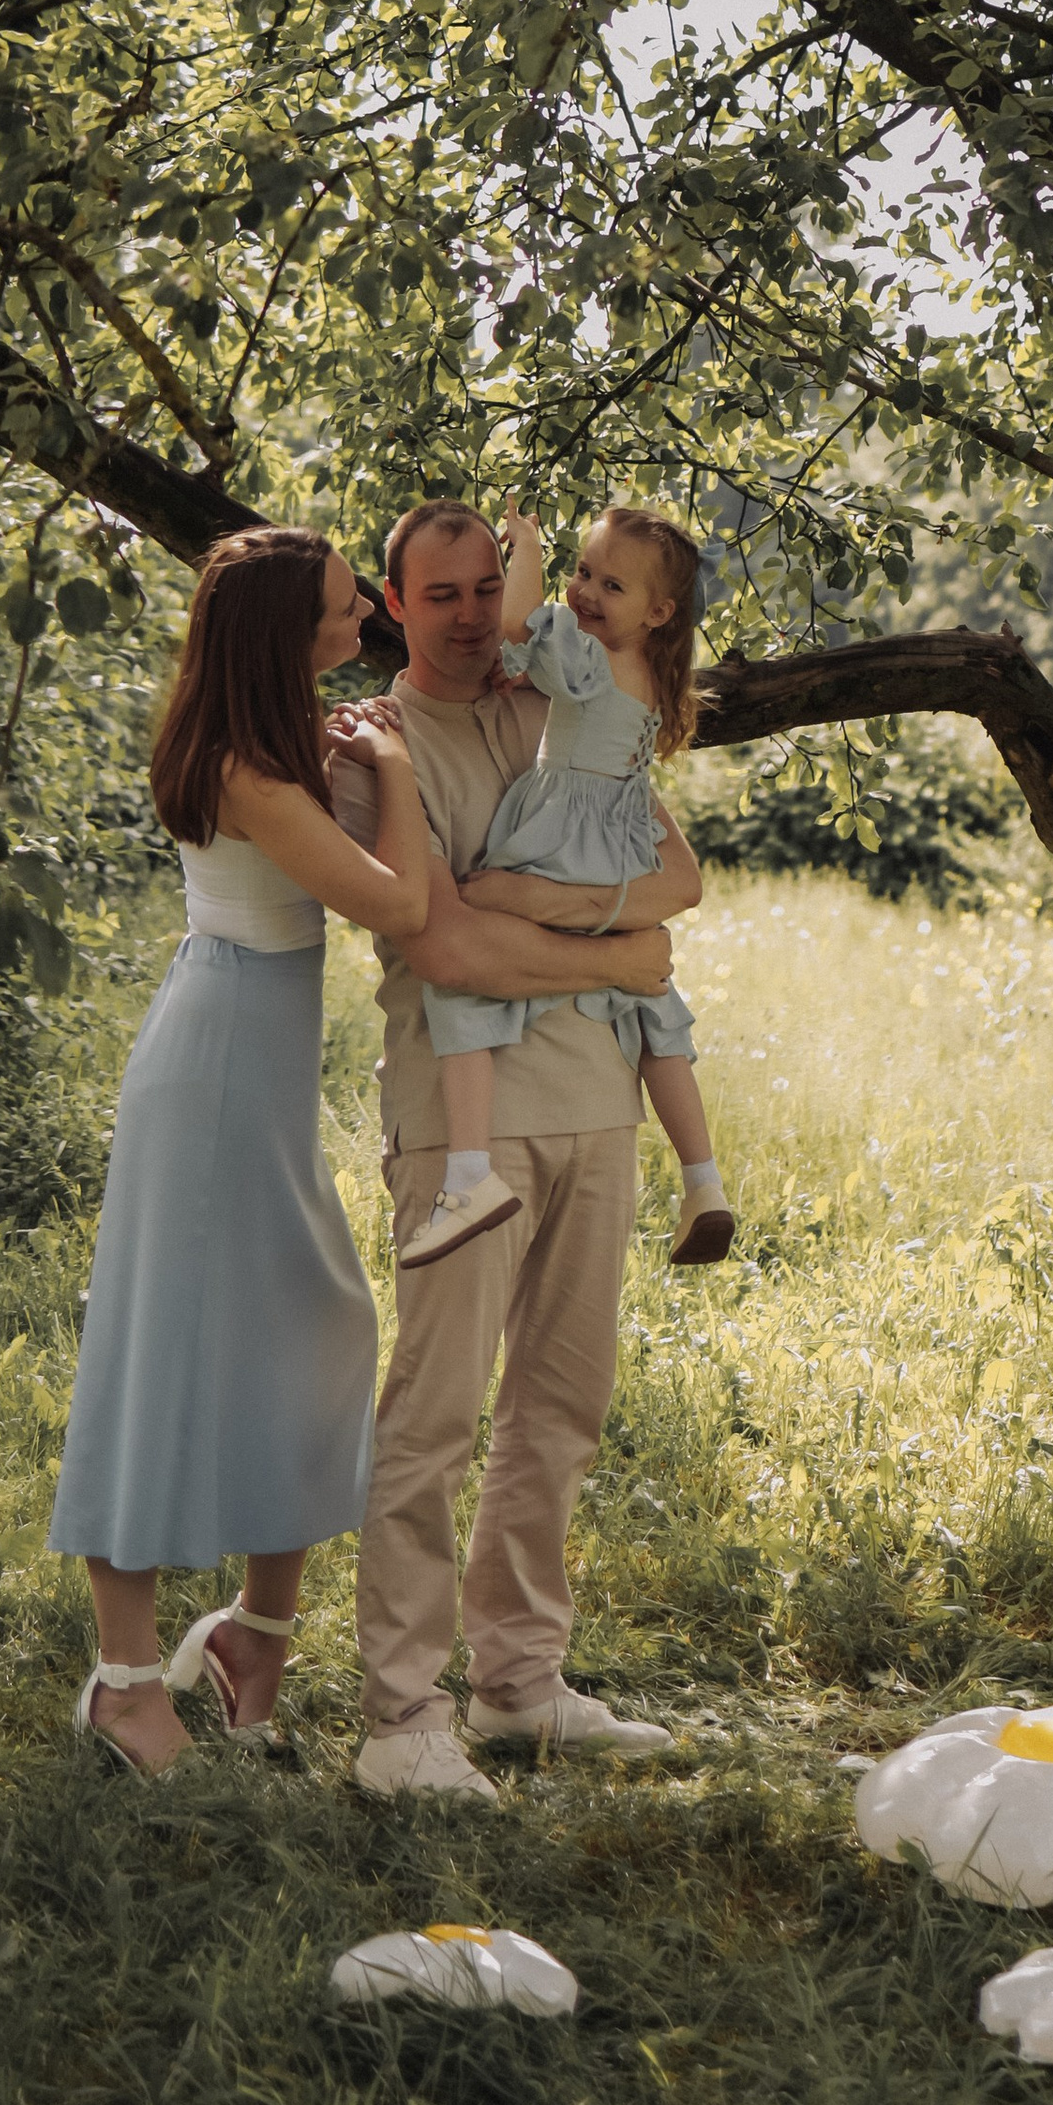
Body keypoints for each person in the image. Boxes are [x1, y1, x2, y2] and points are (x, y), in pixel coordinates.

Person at [329, 496, 704, 1802]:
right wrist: (611, 944)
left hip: (598, 1104)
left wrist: (580, 919)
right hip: (459, 1131)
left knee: (558, 1411)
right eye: (444, 597)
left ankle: (519, 1688)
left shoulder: (563, 692)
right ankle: (398, 1719)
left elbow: (678, 883)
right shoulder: (376, 746)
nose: (478, 614)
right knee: (433, 1422)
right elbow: (443, 946)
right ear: (397, 607)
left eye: (491, 585)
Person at [50, 525, 431, 1777]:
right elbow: (396, 905)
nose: (362, 615)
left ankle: (255, 1638)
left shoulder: (273, 751)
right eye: (338, 607)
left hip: (247, 1068)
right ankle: (122, 1681)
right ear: (282, 635)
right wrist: (402, 772)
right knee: (164, 1358)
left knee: (315, 1326)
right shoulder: (246, 774)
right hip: (211, 1074)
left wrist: (354, 751)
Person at [403, 504, 731, 1275]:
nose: (583, 593)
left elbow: (519, 620)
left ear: (657, 611)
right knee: (653, 1005)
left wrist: (529, 550)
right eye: (583, 572)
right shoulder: (649, 672)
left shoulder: (585, 661)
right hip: (620, 844)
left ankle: (469, 1175)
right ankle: (703, 1178)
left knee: (465, 979)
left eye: (608, 584)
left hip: (562, 834)